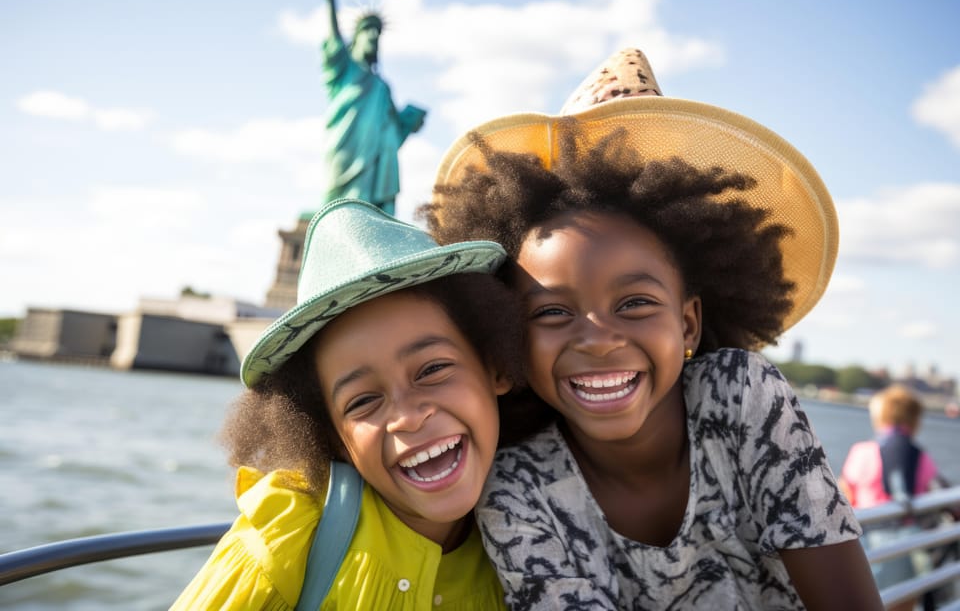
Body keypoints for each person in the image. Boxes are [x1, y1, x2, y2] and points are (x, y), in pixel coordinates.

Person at [420, 48, 883, 609]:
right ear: (511, 335)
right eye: (550, 312)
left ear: (688, 323)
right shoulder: (516, 483)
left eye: (635, 302)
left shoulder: (740, 395)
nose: (597, 338)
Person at [171, 198, 522, 609]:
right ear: (332, 436)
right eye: (363, 402)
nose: (407, 417)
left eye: (432, 370)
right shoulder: (289, 538)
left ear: (495, 365)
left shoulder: (537, 535)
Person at [317, 0, 427, 215]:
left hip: (377, 163)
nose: (374, 36)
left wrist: (409, 121)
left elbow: (392, 131)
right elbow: (333, 37)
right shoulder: (345, 68)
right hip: (346, 148)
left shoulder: (382, 87)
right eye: (368, 30)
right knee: (336, 209)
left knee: (371, 215)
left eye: (378, 32)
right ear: (356, 36)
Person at [840, 384, 942, 610]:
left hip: (868, 541)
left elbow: (845, 495)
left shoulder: (862, 451)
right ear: (915, 419)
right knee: (902, 602)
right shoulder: (921, 456)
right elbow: (930, 489)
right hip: (908, 542)